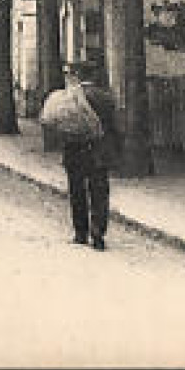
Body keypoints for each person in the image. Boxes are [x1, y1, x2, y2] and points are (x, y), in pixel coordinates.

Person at [61, 62, 120, 250]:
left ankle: (80, 233)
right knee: (99, 193)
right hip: (99, 152)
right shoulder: (106, 97)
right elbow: (113, 126)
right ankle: (98, 234)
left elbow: (63, 121)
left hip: (75, 151)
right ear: (94, 76)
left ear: (79, 76)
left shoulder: (71, 96)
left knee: (77, 192)